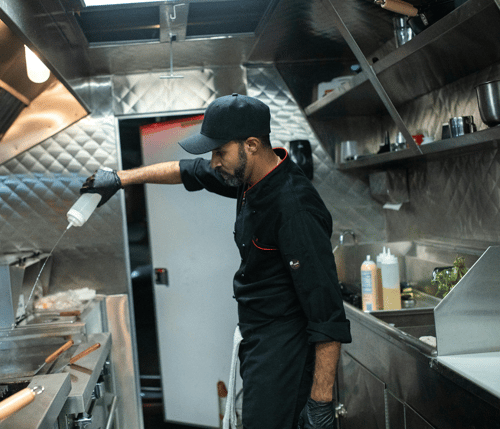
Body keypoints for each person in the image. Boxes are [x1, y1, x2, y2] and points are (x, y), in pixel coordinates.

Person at [80, 93, 352, 429]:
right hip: (259, 341)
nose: (213, 162)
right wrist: (120, 179)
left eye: (219, 151)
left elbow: (327, 313)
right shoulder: (251, 179)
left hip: (286, 353)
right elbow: (185, 171)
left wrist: (320, 403)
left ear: (251, 145)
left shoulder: (294, 209)